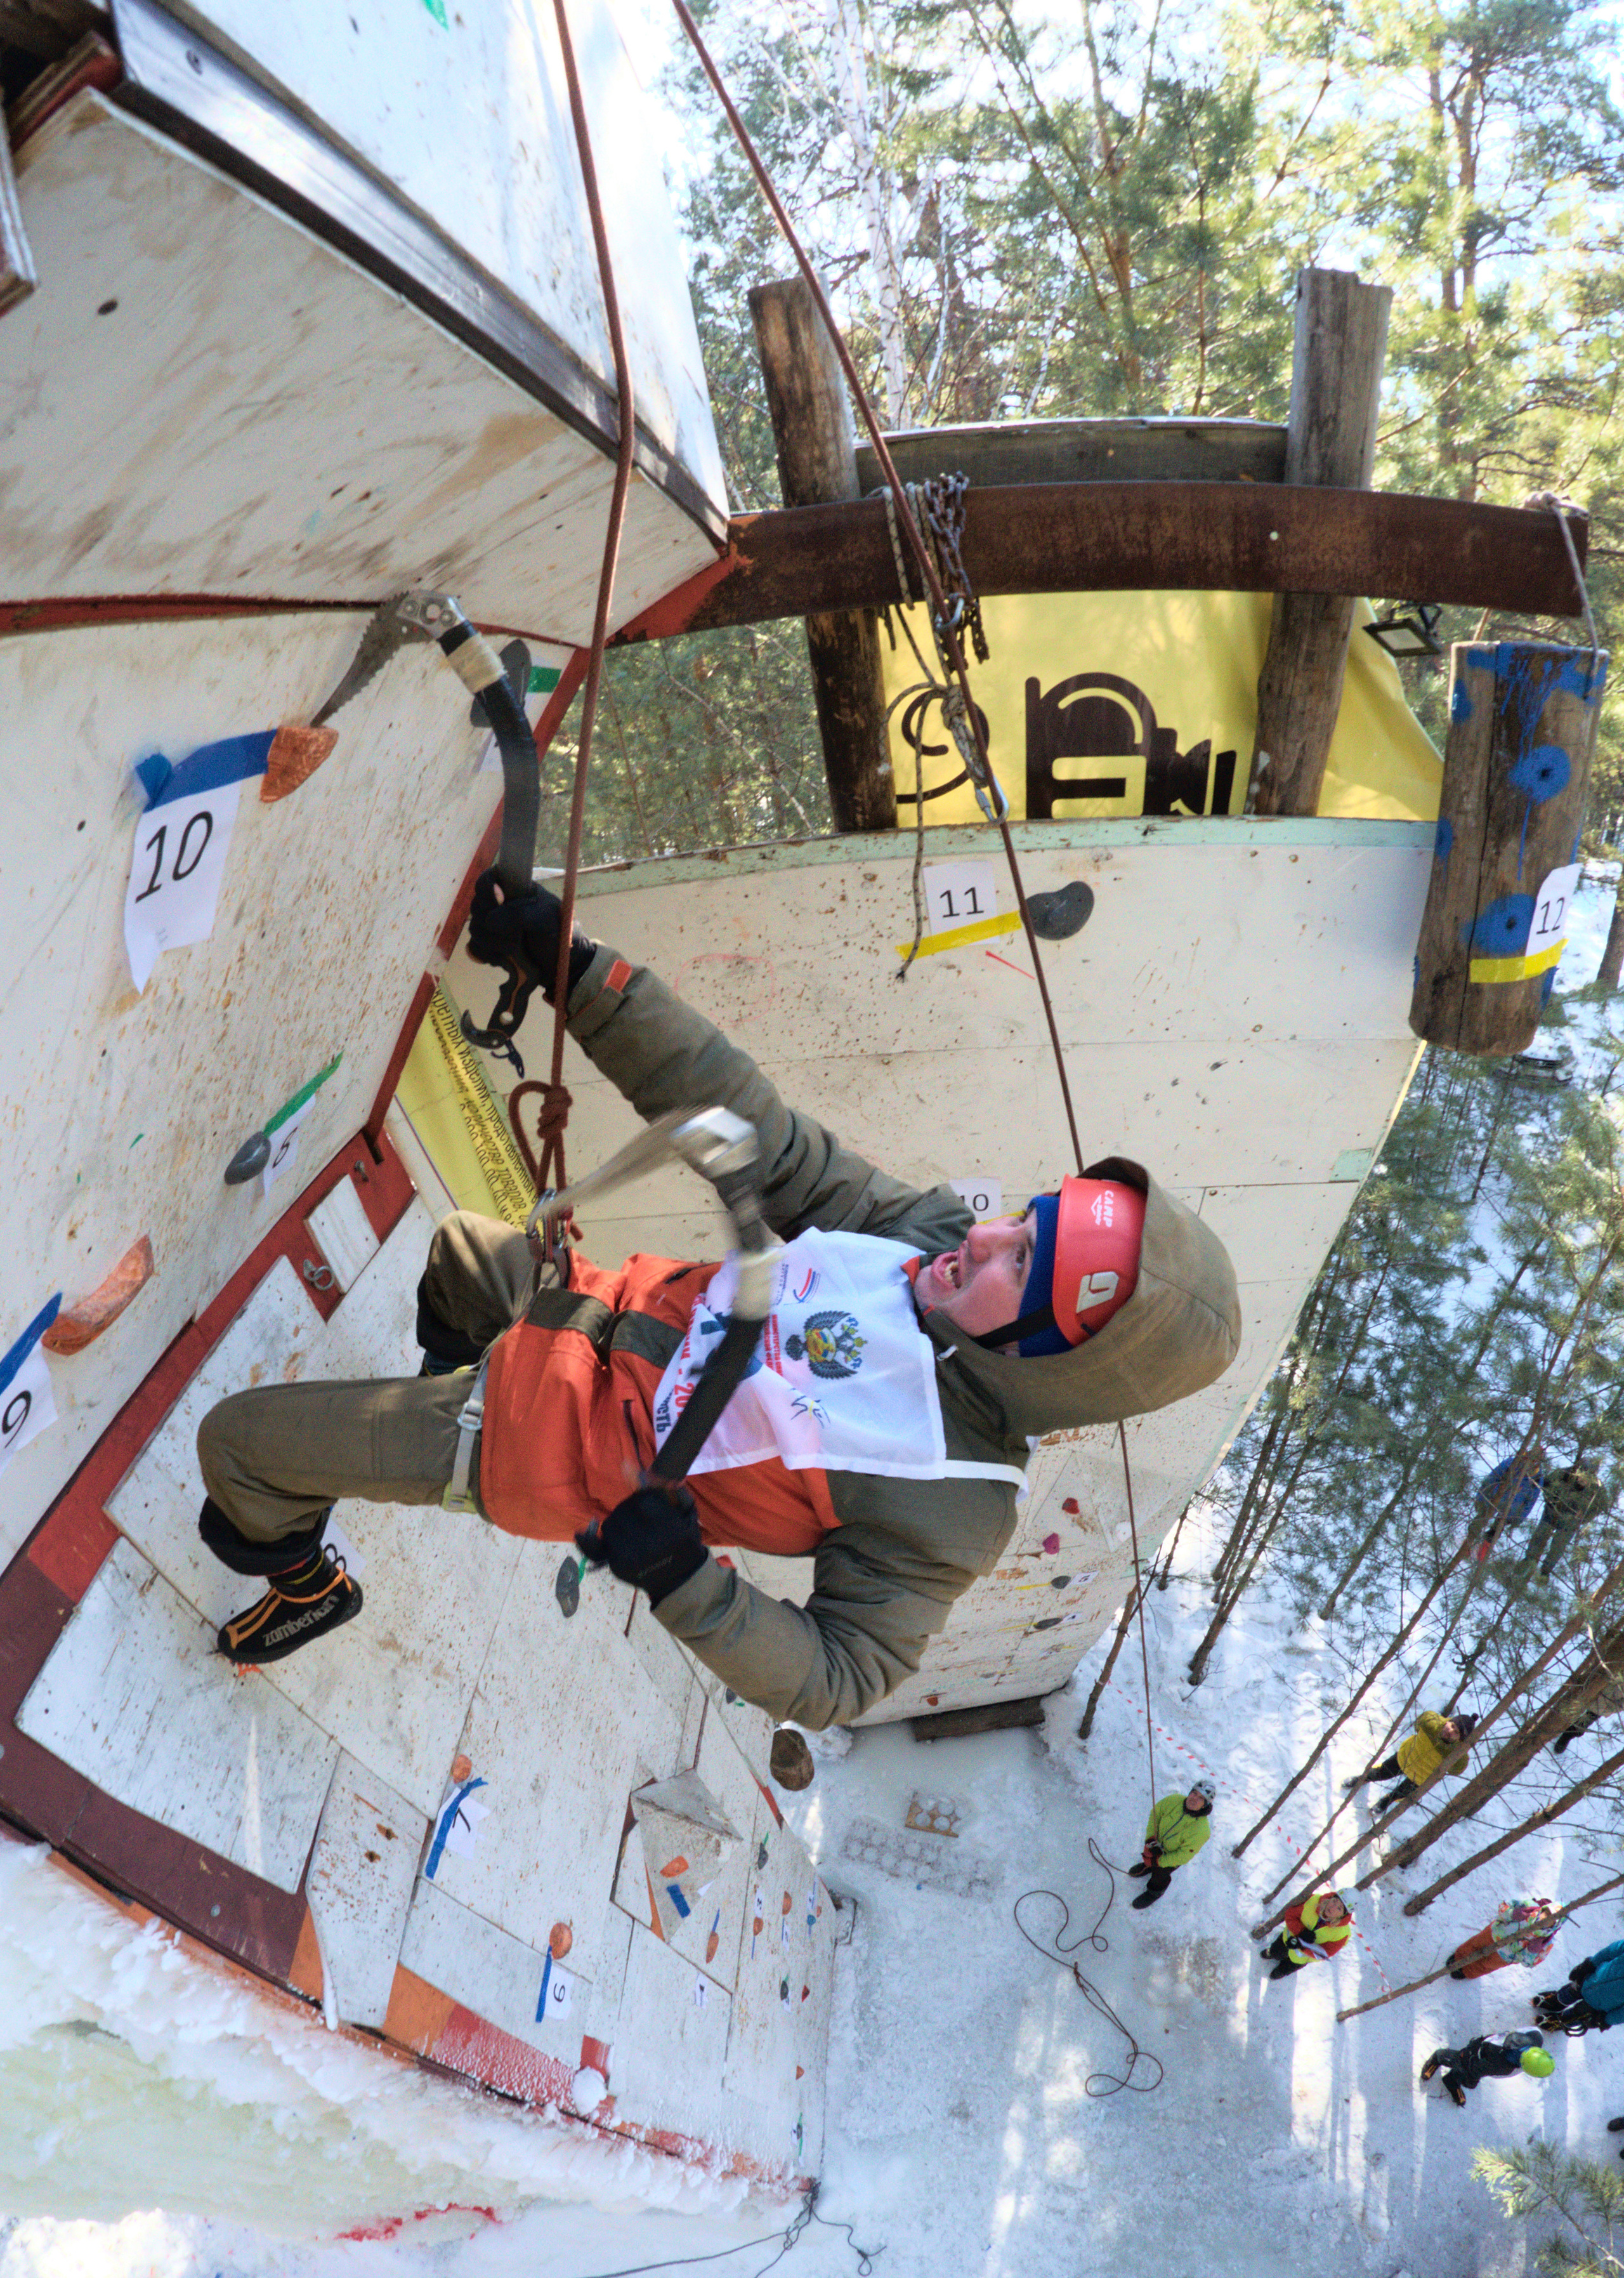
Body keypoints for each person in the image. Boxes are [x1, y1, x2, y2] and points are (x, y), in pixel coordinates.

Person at [193, 875, 1242, 1729]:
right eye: (1025, 1215)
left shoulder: (952, 1498)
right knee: (461, 1251)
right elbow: (760, 1135)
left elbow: (841, 1677)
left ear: (1044, 1353)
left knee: (237, 1446)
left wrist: (687, 1579)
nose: (984, 1235)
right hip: (581, 1313)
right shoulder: (919, 1242)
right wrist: (578, 972)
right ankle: (441, 1385)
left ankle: (311, 1583)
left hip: (539, 1444)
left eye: (1022, 1262)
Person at [1343, 1710, 1478, 1815]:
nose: (1451, 1731)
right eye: (1452, 1725)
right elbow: (1419, 1724)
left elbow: (1456, 1770)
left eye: (1456, 1732)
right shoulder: (1431, 1723)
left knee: (1400, 1794)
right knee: (1380, 1773)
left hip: (1420, 1777)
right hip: (1405, 1757)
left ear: (1461, 1739)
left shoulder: (1458, 1755)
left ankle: (1385, 1801)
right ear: (1449, 1721)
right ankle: (1362, 1779)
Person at [1127, 1782, 1214, 1910]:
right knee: (1149, 1856)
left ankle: (1155, 1891)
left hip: (1172, 1855)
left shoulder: (1202, 1830)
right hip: (1156, 1842)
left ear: (1205, 1805)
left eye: (1201, 1798)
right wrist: (1151, 1839)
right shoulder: (1174, 1800)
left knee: (1160, 1874)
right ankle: (1148, 1866)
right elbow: (1156, 1814)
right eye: (1194, 1793)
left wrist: (1158, 1861)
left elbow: (1183, 1856)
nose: (1194, 1798)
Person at [1420, 2030, 1554, 2107]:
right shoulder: (1503, 2068)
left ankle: (1451, 2080)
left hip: (1486, 2043)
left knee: (1463, 2069)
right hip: (1476, 2055)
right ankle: (1438, 2058)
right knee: (1461, 2065)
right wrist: (1469, 2082)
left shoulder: (1535, 2035)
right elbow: (1477, 2069)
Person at [1525, 1462, 1607, 1579]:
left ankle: (1545, 1572)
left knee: (1558, 1548)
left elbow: (1601, 1507)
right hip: (1551, 1513)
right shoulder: (1564, 1474)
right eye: (1582, 1475)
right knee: (1538, 1537)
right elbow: (1546, 1483)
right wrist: (1551, 1500)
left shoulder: (1598, 1489)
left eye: (1588, 1477)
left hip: (1570, 1523)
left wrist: (1584, 1517)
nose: (1583, 1480)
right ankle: (1528, 1562)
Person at [1448, 1898, 1562, 1980]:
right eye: (1547, 1913)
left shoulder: (1545, 1942)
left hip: (1505, 1956)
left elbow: (1530, 1963)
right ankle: (1459, 1957)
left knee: (1486, 1965)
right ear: (1545, 1909)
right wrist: (1512, 1914)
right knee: (1475, 1945)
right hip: (1493, 1934)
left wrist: (1531, 1951)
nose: (1545, 1918)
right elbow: (1504, 1906)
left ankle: (1468, 1972)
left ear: (1556, 1925)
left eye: (1552, 1919)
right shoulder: (1529, 1907)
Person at [1535, 1938, 1624, 2035]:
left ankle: (1562, 2021)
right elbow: (1614, 1949)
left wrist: (1605, 2020)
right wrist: (1591, 1964)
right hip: (1595, 1977)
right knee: (1573, 1989)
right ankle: (1558, 2000)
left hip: (1601, 2004)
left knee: (1580, 2014)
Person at [1260, 1888, 1352, 1979]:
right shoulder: (1313, 1901)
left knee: (1289, 1967)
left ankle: (1281, 1971)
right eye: (1334, 1901)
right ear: (1331, 1898)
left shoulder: (1342, 1934)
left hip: (1302, 1957)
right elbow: (1290, 1915)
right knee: (1276, 1951)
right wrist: (1301, 1931)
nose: (1333, 1907)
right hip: (1286, 1940)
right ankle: (1272, 1953)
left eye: (1339, 1908)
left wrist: (1303, 1946)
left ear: (1343, 1915)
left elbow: (1326, 1953)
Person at [1472, 1448, 1544, 1559]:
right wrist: (1481, 1497)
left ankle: (1481, 1556)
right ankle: (1467, 1545)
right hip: (1495, 1498)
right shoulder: (1511, 1463)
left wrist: (1518, 1519)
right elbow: (1492, 1479)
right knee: (1479, 1521)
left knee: (1495, 1532)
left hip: (1511, 1509)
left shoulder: (1537, 1480)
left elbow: (1530, 1502)